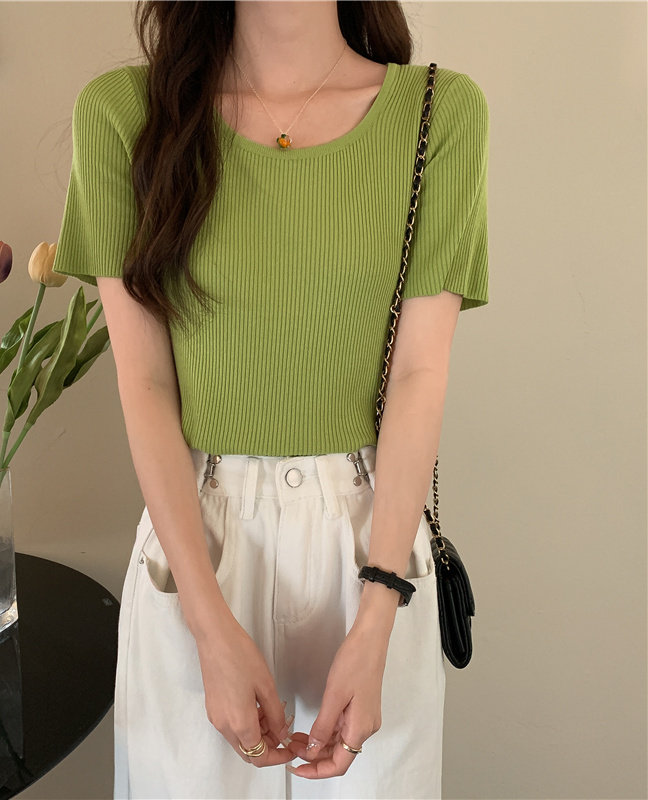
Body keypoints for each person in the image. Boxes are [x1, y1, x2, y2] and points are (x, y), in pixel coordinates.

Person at [51, 1, 489, 797]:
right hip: (199, 543)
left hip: (373, 543)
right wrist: (208, 625)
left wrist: (379, 616)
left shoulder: (440, 112)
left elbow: (419, 374)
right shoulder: (123, 115)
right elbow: (144, 381)